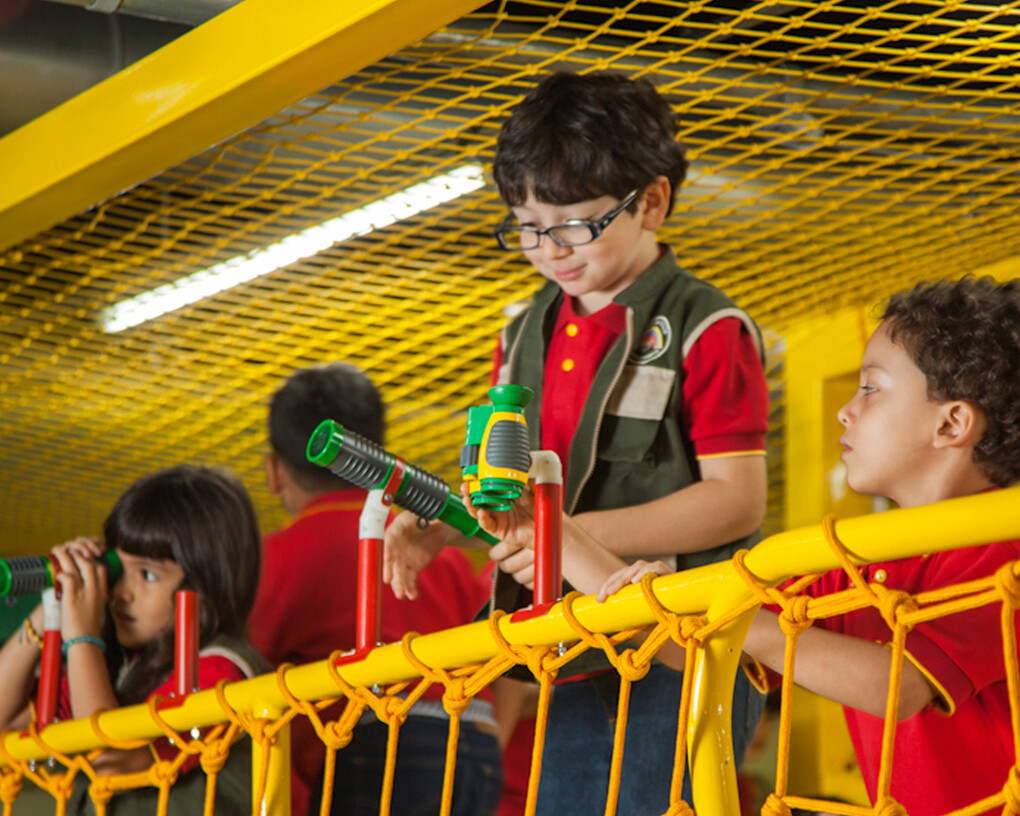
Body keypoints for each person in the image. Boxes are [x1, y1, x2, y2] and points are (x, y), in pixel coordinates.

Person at [384, 71, 769, 814]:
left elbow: (736, 501)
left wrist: (573, 539)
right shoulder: (519, 332)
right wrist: (445, 523)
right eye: (528, 227)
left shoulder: (707, 328)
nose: (549, 249)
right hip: (570, 643)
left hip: (681, 640)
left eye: (574, 225)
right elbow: (509, 493)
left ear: (650, 202)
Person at [600, 277, 1020, 814]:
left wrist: (734, 617)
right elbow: (696, 648)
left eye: (871, 389)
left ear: (951, 422)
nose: (846, 411)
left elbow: (898, 686)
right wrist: (564, 542)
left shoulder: (999, 542)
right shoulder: (858, 558)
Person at [248, 362, 501, 816]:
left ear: (273, 471)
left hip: (378, 740)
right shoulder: (438, 549)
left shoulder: (272, 559)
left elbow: (247, 664)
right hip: (474, 740)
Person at [0, 465, 266, 815]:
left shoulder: (222, 671)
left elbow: (112, 759)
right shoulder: (122, 666)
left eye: (148, 574)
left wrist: (81, 637)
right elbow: (5, 716)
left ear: (205, 585)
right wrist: (56, 601)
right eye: (116, 570)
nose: (122, 593)